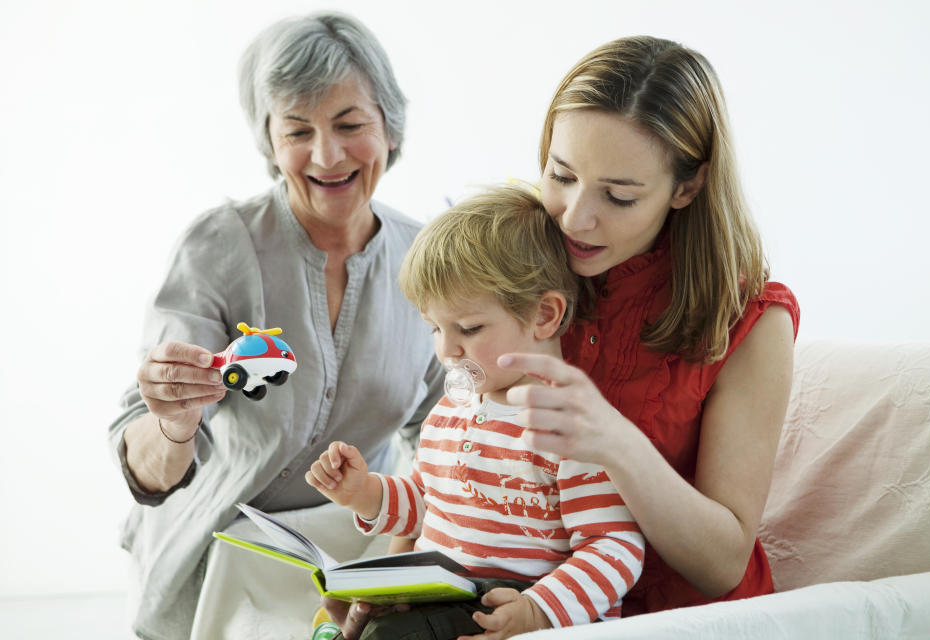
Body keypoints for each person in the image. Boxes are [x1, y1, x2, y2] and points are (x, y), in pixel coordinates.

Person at [106, 12, 443, 640]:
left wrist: (396, 565)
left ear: (390, 130)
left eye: (350, 125)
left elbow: (449, 441)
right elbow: (149, 471)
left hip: (357, 558)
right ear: (269, 142)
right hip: (215, 567)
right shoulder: (218, 246)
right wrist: (174, 423)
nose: (326, 155)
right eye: (297, 130)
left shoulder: (428, 259)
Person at [497, 36, 800, 616]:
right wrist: (381, 587)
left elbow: (723, 564)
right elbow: (451, 449)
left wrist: (614, 441)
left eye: (618, 196)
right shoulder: (517, 267)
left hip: (683, 622)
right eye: (561, 175)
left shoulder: (752, 319)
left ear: (687, 187)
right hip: (527, 611)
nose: (577, 217)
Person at [306, 185, 646, 639]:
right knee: (342, 607)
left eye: (468, 328)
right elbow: (427, 504)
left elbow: (615, 546)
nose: (446, 349)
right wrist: (363, 492)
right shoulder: (449, 413)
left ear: (544, 315)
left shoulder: (571, 427)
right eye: (434, 328)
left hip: (515, 604)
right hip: (441, 590)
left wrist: (537, 610)